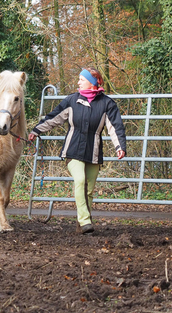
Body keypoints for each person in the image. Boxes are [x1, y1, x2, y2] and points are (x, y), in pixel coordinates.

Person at [28, 68, 127, 234]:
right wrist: (36, 130)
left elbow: (115, 127)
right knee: (80, 180)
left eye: (81, 79)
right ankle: (85, 220)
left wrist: (120, 146)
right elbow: (54, 117)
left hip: (93, 153)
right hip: (73, 150)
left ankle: (81, 225)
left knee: (88, 190)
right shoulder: (71, 101)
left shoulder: (107, 104)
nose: (78, 82)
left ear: (92, 82)